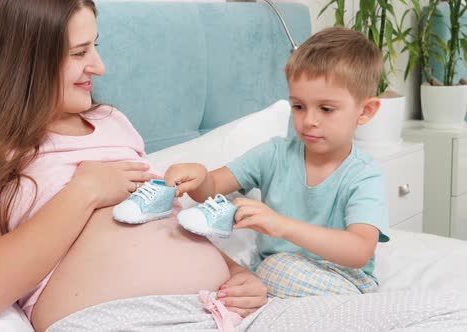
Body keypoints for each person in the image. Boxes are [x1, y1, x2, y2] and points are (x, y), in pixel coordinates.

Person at [0, 1, 267, 331]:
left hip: (226, 312)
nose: (99, 67)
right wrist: (84, 191)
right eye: (79, 53)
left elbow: (166, 222)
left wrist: (239, 275)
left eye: (95, 47)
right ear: (27, 61)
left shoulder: (112, 121)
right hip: (124, 319)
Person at [164, 26, 390, 299]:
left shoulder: (363, 175)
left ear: (365, 111)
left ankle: (355, 310)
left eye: (326, 109)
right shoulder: (273, 155)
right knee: (267, 268)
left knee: (274, 269)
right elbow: (212, 188)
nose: (309, 121)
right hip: (280, 272)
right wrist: (199, 177)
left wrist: (280, 225)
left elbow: (359, 250)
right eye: (298, 106)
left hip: (343, 280)